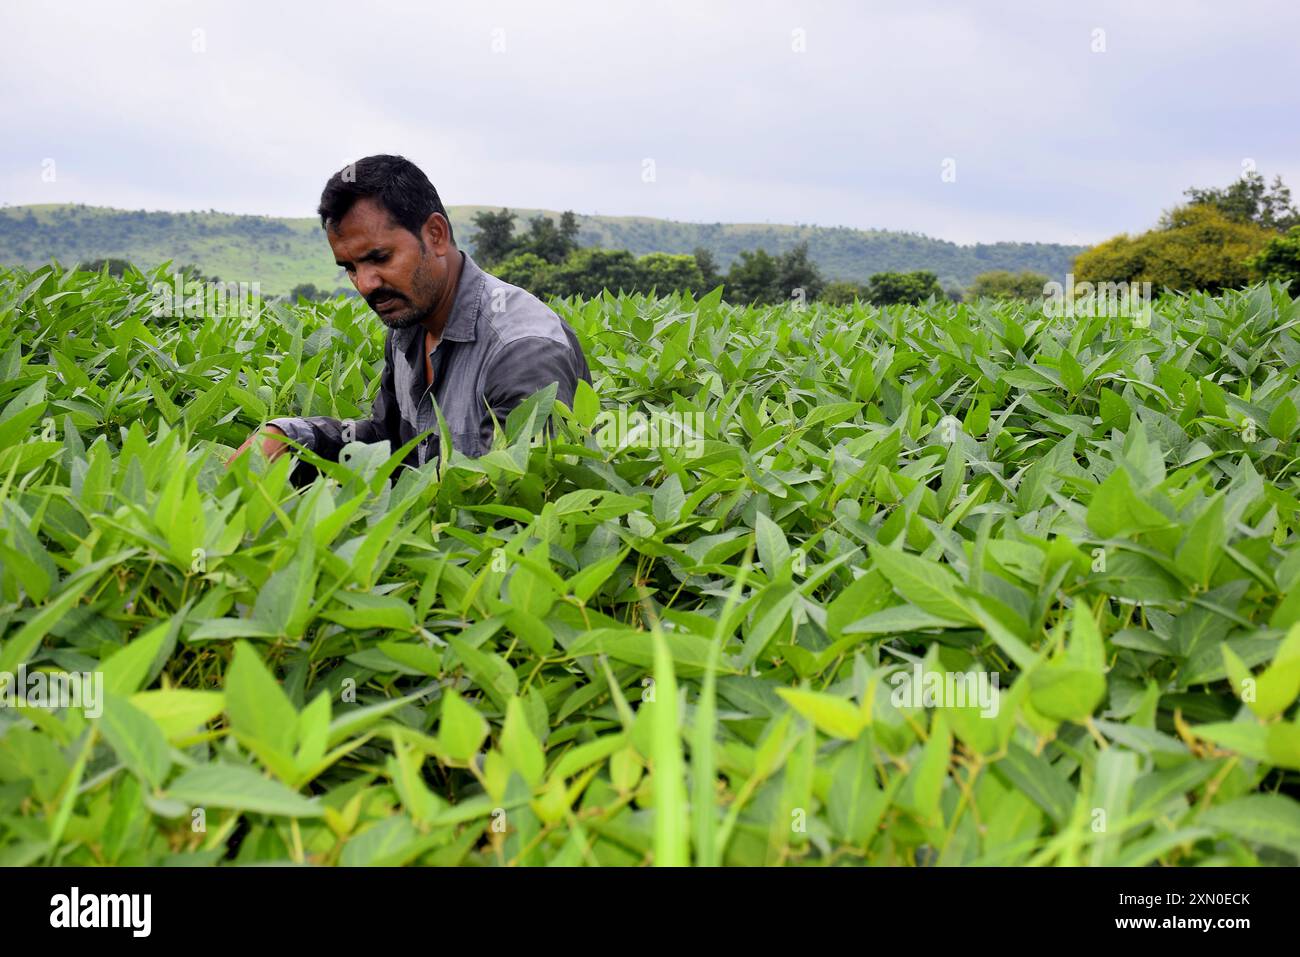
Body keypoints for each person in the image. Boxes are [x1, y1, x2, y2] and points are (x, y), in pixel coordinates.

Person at [228, 154, 591, 483]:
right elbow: (391, 446)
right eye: (350, 268)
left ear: (435, 235)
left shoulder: (522, 349)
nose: (366, 284)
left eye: (380, 257)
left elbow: (515, 496)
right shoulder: (409, 325)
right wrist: (291, 438)